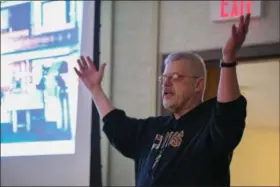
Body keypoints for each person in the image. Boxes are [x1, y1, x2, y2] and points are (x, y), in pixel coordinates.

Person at [74, 14, 251, 186]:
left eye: (175, 76)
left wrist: (228, 59)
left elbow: (229, 111)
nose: (166, 83)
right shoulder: (153, 129)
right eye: (164, 77)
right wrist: (95, 89)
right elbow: (117, 126)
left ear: (198, 85)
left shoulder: (210, 125)